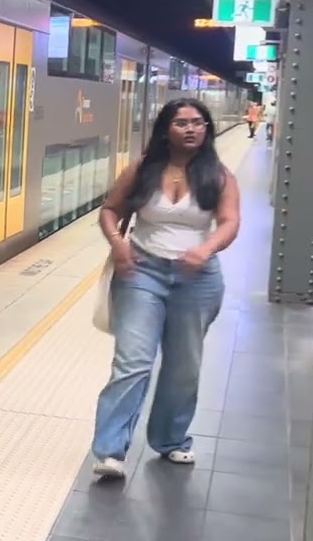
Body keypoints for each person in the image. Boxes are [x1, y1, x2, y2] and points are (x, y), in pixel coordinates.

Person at [91, 98, 240, 479]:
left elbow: (228, 221)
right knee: (133, 361)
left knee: (183, 367)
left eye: (198, 122)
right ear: (165, 130)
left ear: (206, 129)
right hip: (142, 270)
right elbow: (110, 210)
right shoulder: (143, 169)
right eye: (181, 122)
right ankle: (109, 451)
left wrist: (206, 248)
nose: (191, 129)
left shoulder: (219, 176)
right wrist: (118, 243)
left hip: (198, 280)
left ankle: (171, 440)